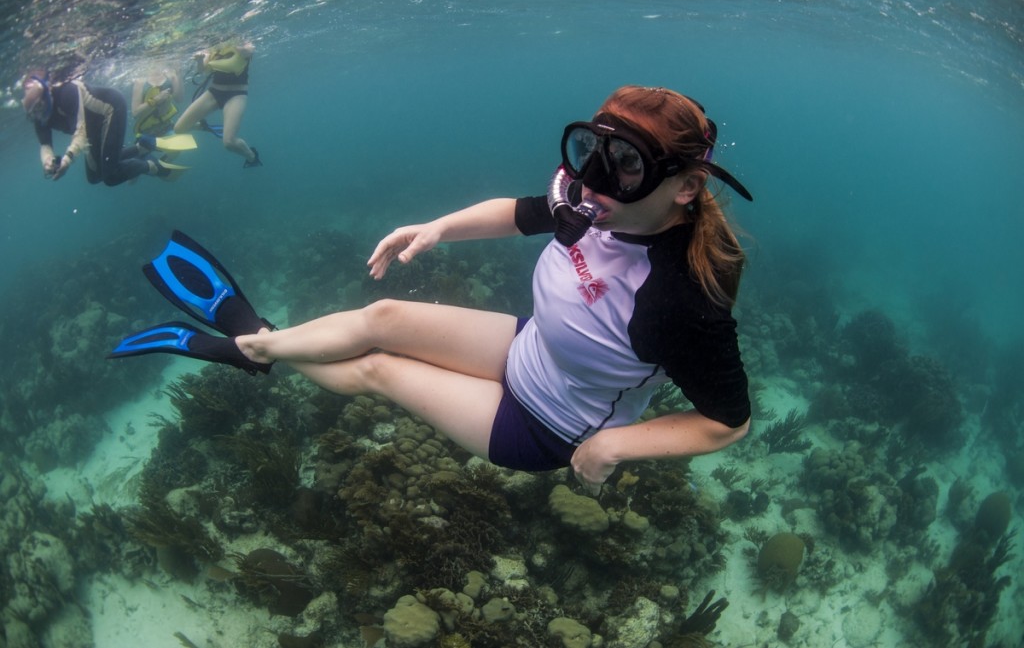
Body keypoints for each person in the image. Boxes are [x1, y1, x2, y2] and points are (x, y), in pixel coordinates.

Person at [110, 85, 754, 494]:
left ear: (686, 187)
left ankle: (254, 349)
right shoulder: (595, 202)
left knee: (377, 371)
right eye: (591, 151)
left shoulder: (679, 300)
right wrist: (437, 228)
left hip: (549, 427)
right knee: (383, 314)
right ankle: (262, 346)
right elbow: (520, 210)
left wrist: (609, 447)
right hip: (529, 350)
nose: (593, 180)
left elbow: (726, 422)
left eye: (628, 164)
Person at [22, 71, 174, 184]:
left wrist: (67, 159)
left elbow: (80, 132)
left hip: (111, 109)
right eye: (34, 111)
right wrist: (48, 161)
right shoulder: (38, 115)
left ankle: (152, 167)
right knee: (94, 177)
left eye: (39, 107)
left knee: (110, 176)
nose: (38, 113)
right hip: (92, 128)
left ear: (47, 94)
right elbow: (45, 144)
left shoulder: (66, 91)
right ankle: (142, 147)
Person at [173, 41, 262, 168]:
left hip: (236, 94)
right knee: (179, 128)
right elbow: (203, 70)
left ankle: (252, 157)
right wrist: (199, 60)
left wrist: (239, 46)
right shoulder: (212, 47)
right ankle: (203, 126)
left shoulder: (243, 42)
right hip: (214, 92)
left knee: (229, 143)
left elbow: (249, 50)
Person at [131, 67, 183, 138]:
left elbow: (179, 99)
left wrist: (178, 74)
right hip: (146, 132)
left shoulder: (170, 76)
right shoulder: (140, 81)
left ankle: (193, 126)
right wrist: (156, 99)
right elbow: (135, 113)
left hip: (167, 127)